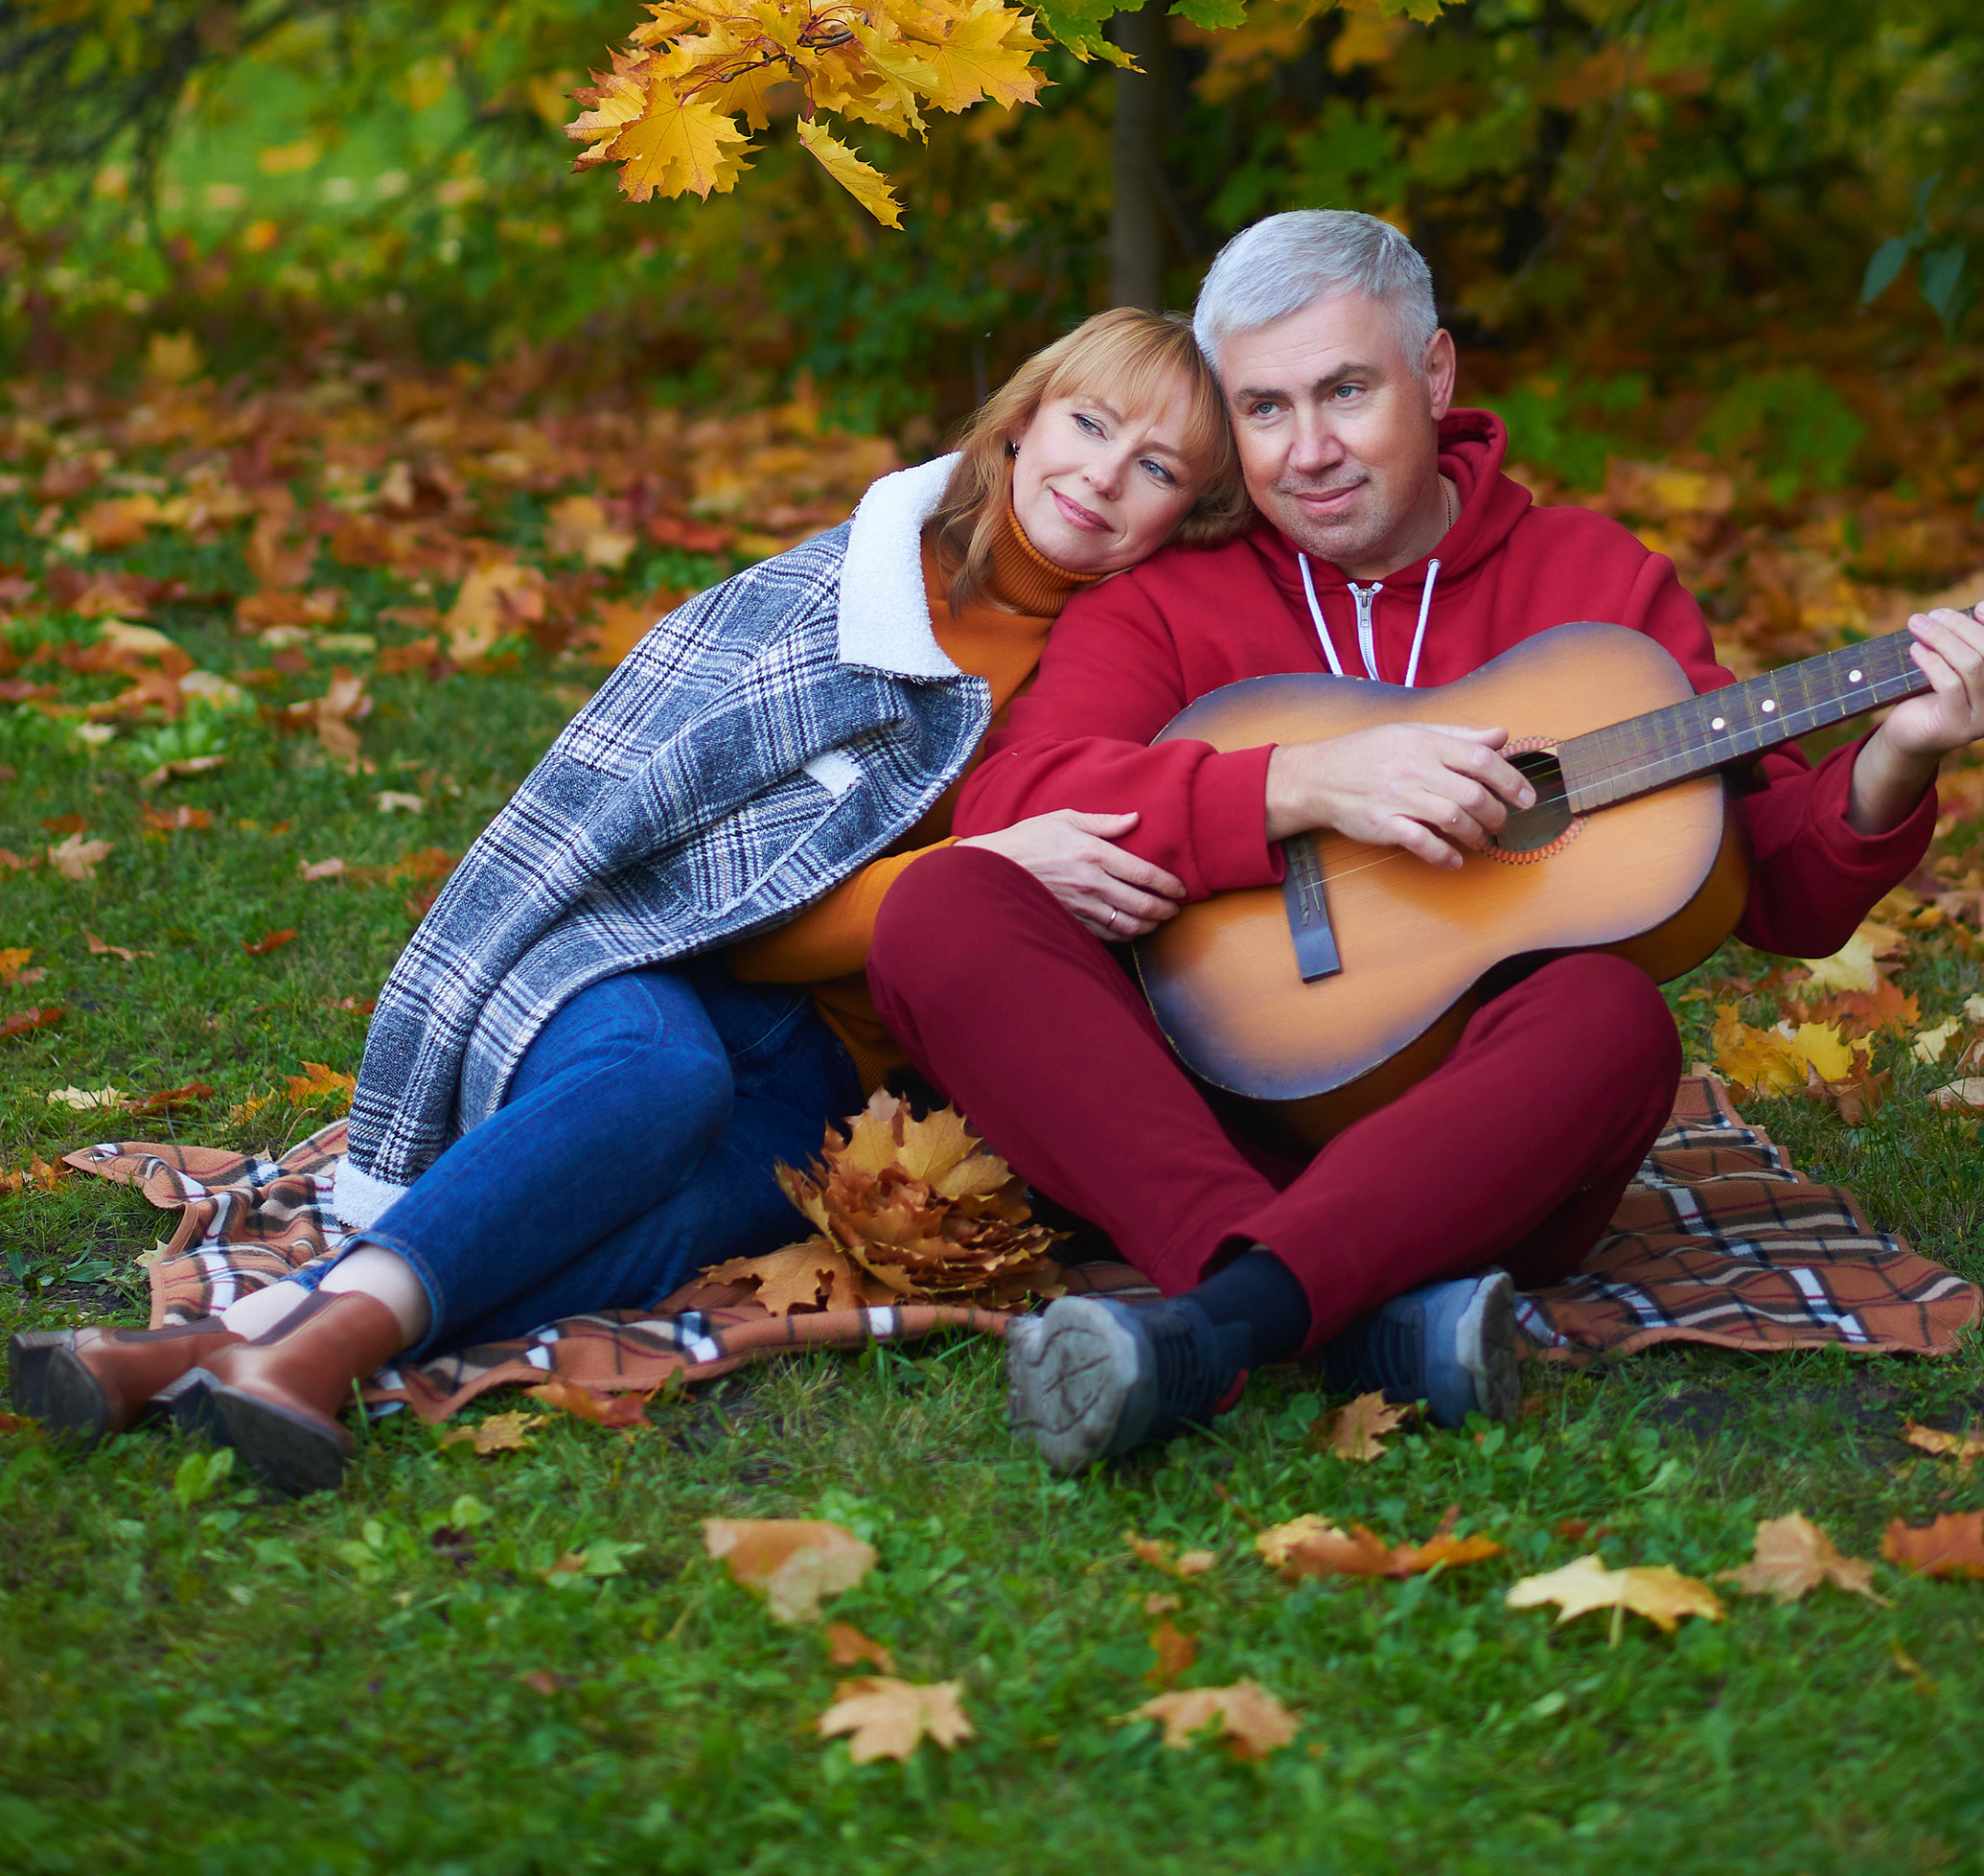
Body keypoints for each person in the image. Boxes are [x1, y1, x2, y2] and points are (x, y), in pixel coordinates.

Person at [865, 209, 1984, 1473]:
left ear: (1433, 376)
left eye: (1346, 391)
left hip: (1474, 1149)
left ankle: (1219, 1322)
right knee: (943, 910)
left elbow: (1781, 891)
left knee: (1612, 1016)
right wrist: (1305, 781)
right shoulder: (1171, 590)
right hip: (1196, 1111)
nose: (1307, 449)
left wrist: (1901, 752)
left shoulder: (1593, 583)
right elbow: (1020, 801)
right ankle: (1314, 1309)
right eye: (1263, 408)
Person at [8, 309, 1241, 1494]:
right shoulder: (847, 599)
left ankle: (224, 1349)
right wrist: (983, 873)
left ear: (1187, 515)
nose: (1102, 477)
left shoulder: (1124, 669)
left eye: (1157, 467)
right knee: (666, 1083)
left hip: (836, 1083)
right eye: (1088, 425)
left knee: (670, 1230)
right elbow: (719, 910)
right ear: (1021, 421)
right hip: (647, 973)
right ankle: (319, 1356)